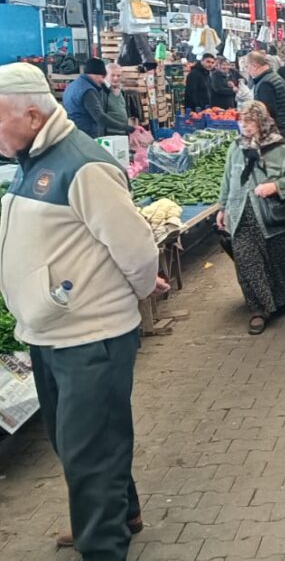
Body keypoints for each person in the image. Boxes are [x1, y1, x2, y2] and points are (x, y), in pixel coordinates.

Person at [0, 63, 166, 559]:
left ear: (31, 115)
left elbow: (136, 249)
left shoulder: (83, 165)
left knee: (90, 448)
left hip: (89, 334)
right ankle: (120, 512)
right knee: (82, 438)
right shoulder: (32, 157)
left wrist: (132, 294)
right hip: (51, 332)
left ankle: (102, 543)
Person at [216, 101, 285, 335]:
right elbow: (228, 178)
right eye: (242, 120)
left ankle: (278, 302)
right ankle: (259, 309)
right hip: (241, 214)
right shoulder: (236, 147)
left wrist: (276, 186)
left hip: (270, 216)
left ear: (261, 122)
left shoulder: (278, 147)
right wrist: (222, 207)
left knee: (275, 261)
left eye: (250, 121)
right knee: (247, 261)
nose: (245, 126)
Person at [62, 57, 128, 138]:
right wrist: (128, 128)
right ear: (96, 74)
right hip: (87, 135)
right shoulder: (88, 90)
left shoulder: (72, 86)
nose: (102, 81)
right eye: (102, 77)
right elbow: (99, 117)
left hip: (76, 133)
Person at [246, 52, 285, 142]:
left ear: (255, 65)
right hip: (284, 129)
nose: (247, 71)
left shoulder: (265, 83)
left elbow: (266, 113)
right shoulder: (275, 77)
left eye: (247, 67)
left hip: (276, 133)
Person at [104, 63, 132, 136]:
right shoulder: (102, 91)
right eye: (112, 75)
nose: (116, 78)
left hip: (123, 133)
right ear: (105, 75)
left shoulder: (122, 92)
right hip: (109, 135)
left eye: (118, 75)